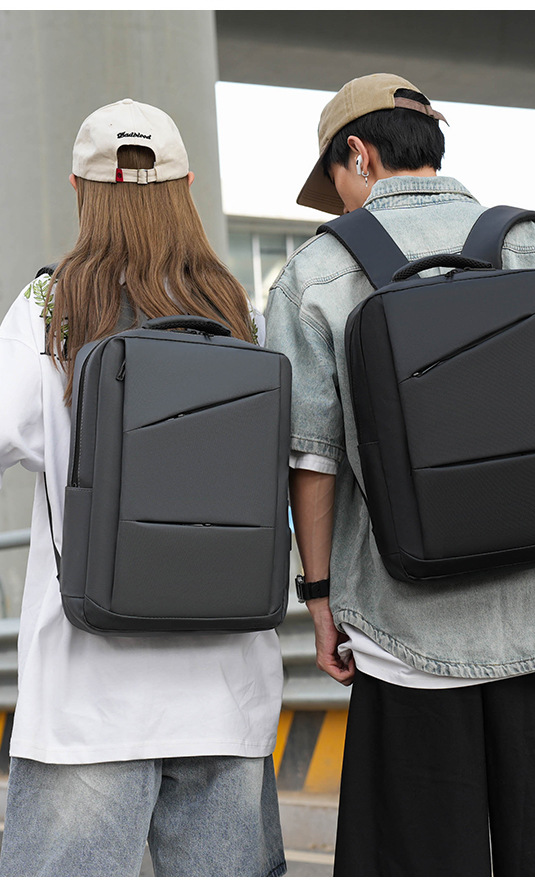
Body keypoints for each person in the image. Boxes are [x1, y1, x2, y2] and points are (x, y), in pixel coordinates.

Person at [264, 73, 535, 877]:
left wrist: (321, 600)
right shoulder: (534, 243)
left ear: (357, 154)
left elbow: (312, 460)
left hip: (408, 625)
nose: (341, 203)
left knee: (418, 856)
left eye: (335, 181)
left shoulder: (315, 273)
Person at [0, 99, 286, 877]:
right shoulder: (239, 314)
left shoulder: (50, 308)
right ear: (187, 187)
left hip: (87, 699)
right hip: (226, 691)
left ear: (79, 189)